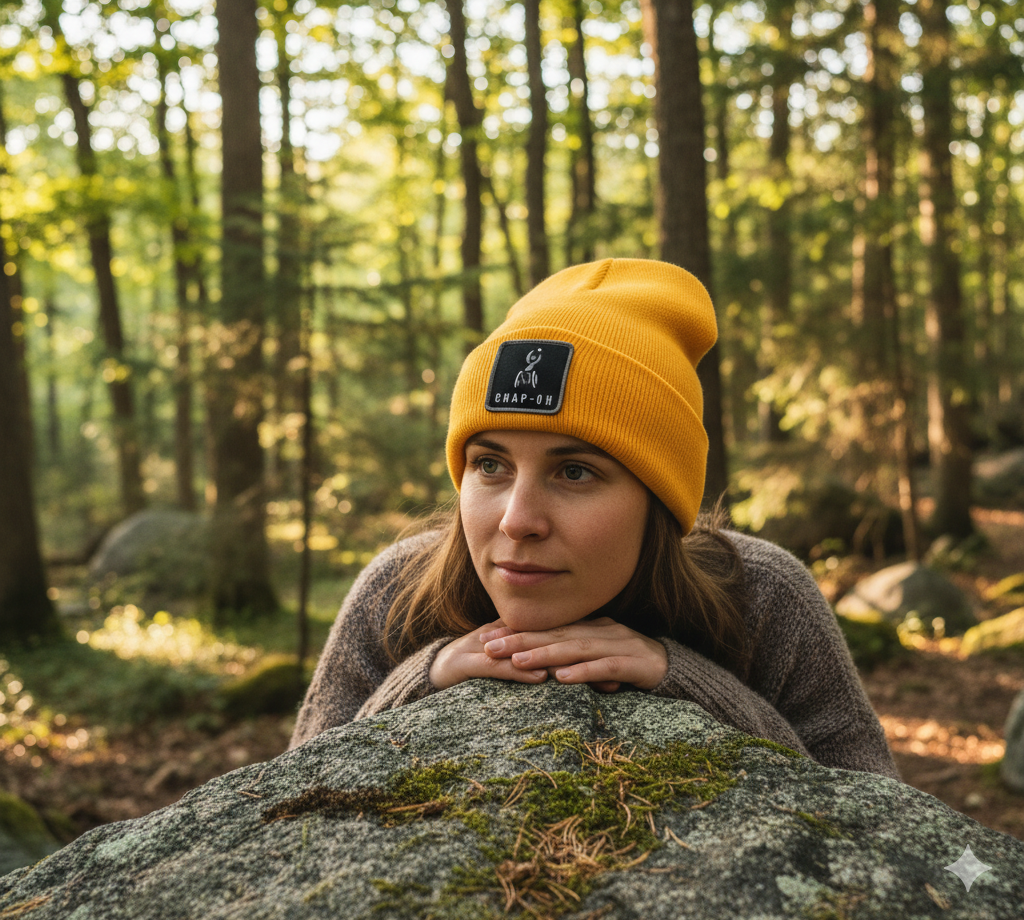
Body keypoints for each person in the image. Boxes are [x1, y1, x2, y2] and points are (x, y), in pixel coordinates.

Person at [289, 258, 899, 779]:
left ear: (659, 502)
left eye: (574, 472)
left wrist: (686, 679)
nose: (517, 522)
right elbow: (287, 808)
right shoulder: (397, 593)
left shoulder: (765, 597)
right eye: (490, 465)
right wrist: (422, 680)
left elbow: (881, 827)